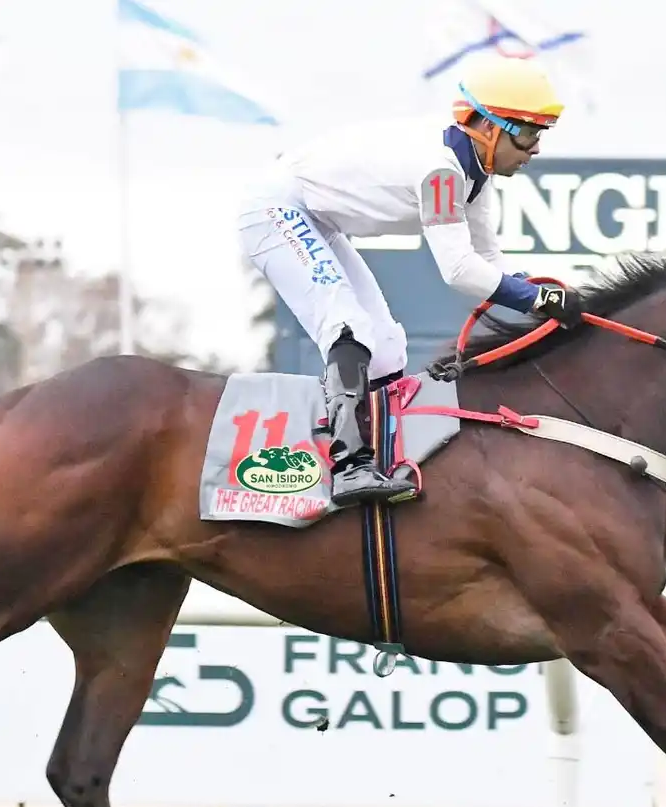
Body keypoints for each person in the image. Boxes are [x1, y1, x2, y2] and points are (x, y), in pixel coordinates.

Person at [236, 55, 584, 507]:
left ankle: (383, 457)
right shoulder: (441, 170)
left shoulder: (475, 173)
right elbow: (459, 269)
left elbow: (488, 260)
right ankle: (349, 467)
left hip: (316, 219)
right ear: (488, 127)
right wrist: (538, 299)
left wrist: (542, 295)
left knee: (386, 349)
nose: (535, 148)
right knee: (348, 327)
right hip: (277, 210)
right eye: (528, 133)